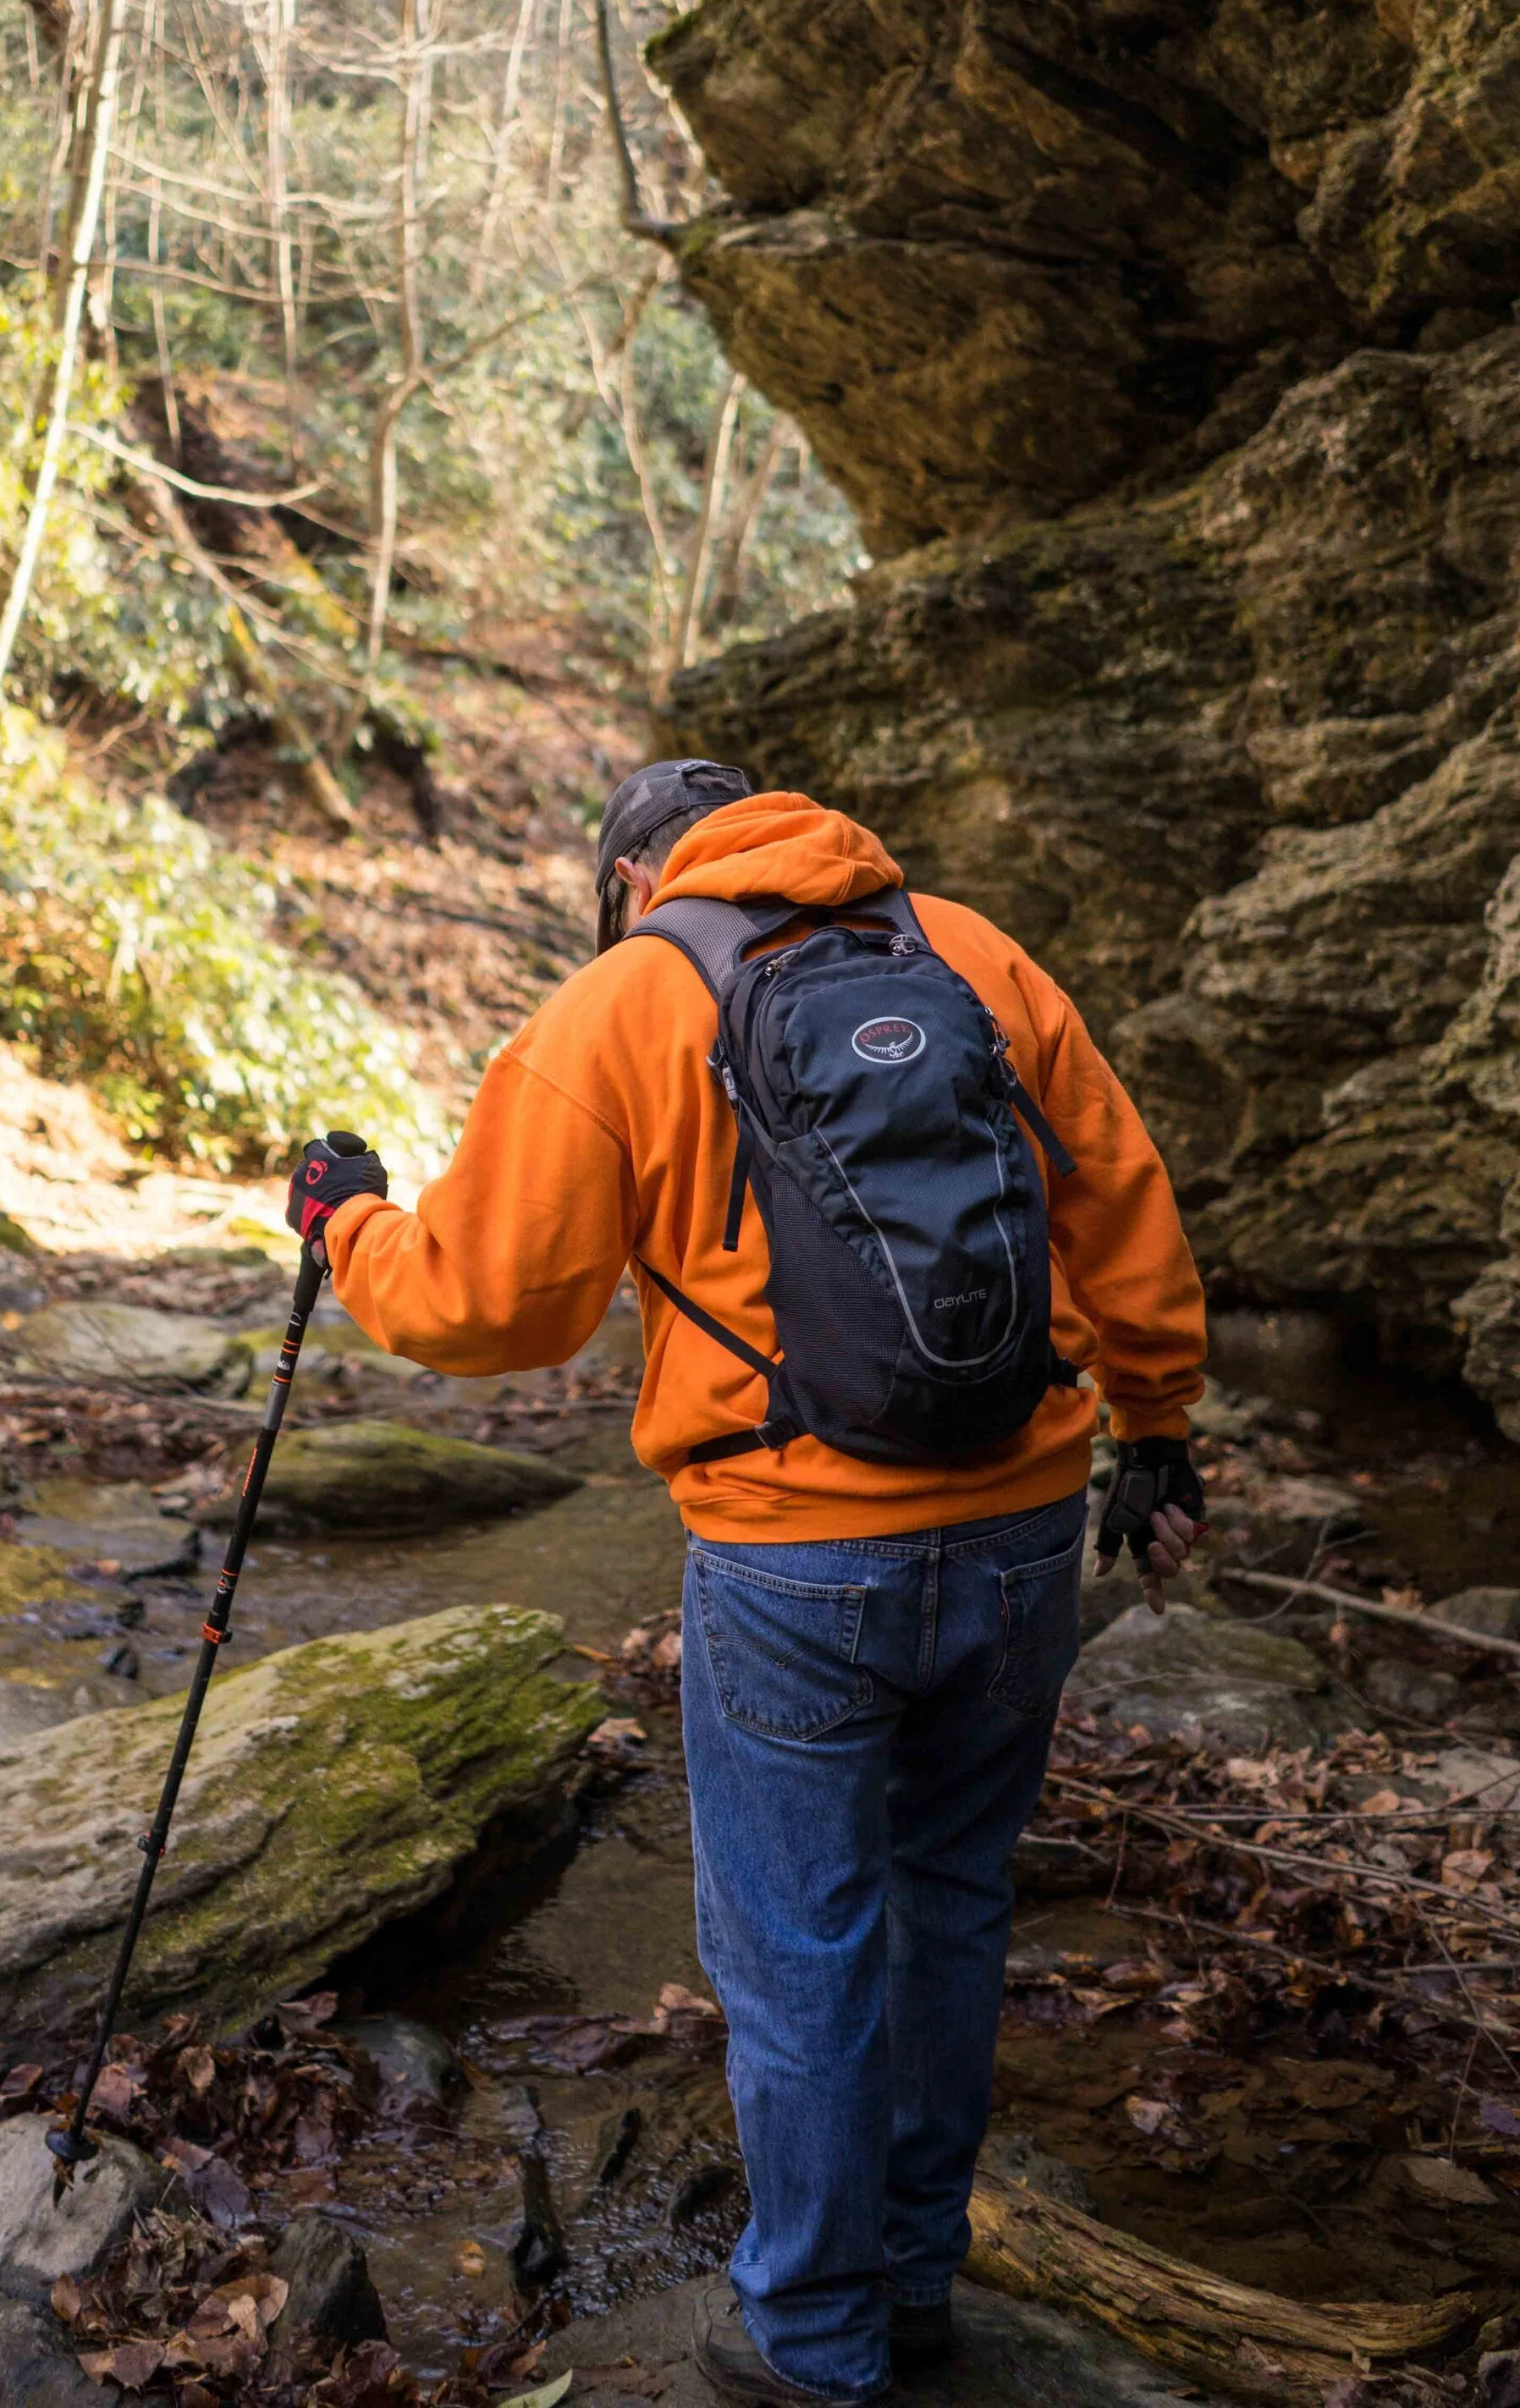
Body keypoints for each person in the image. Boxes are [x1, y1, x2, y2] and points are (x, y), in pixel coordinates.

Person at [285, 761, 1206, 2407]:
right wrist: (1157, 1419)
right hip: (1020, 1529)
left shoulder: (623, 1005)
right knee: (947, 1907)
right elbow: (1119, 1199)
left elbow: (483, 1307)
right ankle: (913, 2283)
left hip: (793, 1564)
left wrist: (347, 1220)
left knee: (799, 1956)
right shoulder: (976, 957)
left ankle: (811, 2343)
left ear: (632, 878)